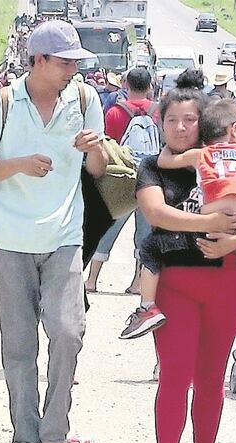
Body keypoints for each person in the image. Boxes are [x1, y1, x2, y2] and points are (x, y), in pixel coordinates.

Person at [0, 20, 108, 443]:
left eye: (75, 63)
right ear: (39, 60)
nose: (72, 70)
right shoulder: (0, 103)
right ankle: (25, 442)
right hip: (9, 240)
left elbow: (100, 169)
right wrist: (19, 165)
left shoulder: (85, 101)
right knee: (20, 345)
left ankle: (55, 437)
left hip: (65, 236)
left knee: (68, 333)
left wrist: (94, 148)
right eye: (65, 62)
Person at [131, 86, 236, 443]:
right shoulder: (152, 167)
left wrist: (232, 240)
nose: (180, 127)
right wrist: (208, 225)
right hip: (176, 283)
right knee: (175, 371)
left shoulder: (227, 161)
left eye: (189, 120)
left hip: (230, 279)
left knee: (213, 374)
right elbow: (157, 213)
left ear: (202, 124)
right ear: (160, 123)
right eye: (172, 119)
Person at [120, 99, 236, 341]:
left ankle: (147, 307)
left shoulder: (202, 154)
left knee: (150, 246)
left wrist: (172, 149)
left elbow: (163, 162)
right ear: (235, 129)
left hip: (199, 234)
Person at [85, 66, 156, 294]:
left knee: (108, 227)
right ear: (149, 87)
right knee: (145, 233)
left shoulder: (115, 112)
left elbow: (107, 144)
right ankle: (137, 283)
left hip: (121, 179)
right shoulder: (157, 112)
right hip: (150, 180)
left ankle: (92, 279)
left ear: (126, 86)